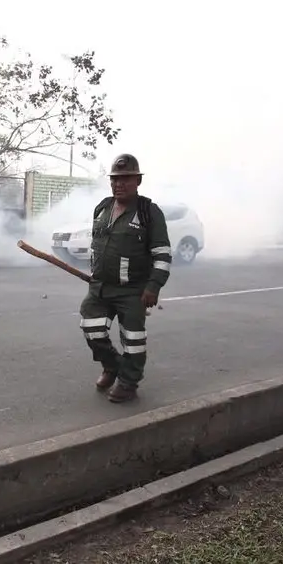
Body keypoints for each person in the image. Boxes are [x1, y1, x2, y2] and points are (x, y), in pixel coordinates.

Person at [79, 154, 173, 403]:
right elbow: (97, 246)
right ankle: (113, 366)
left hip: (133, 290)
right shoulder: (102, 207)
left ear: (138, 181)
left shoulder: (149, 212)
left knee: (133, 340)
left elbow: (162, 254)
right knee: (91, 328)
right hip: (100, 288)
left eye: (125, 179)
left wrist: (153, 286)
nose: (118, 184)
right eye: (115, 179)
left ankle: (129, 383)